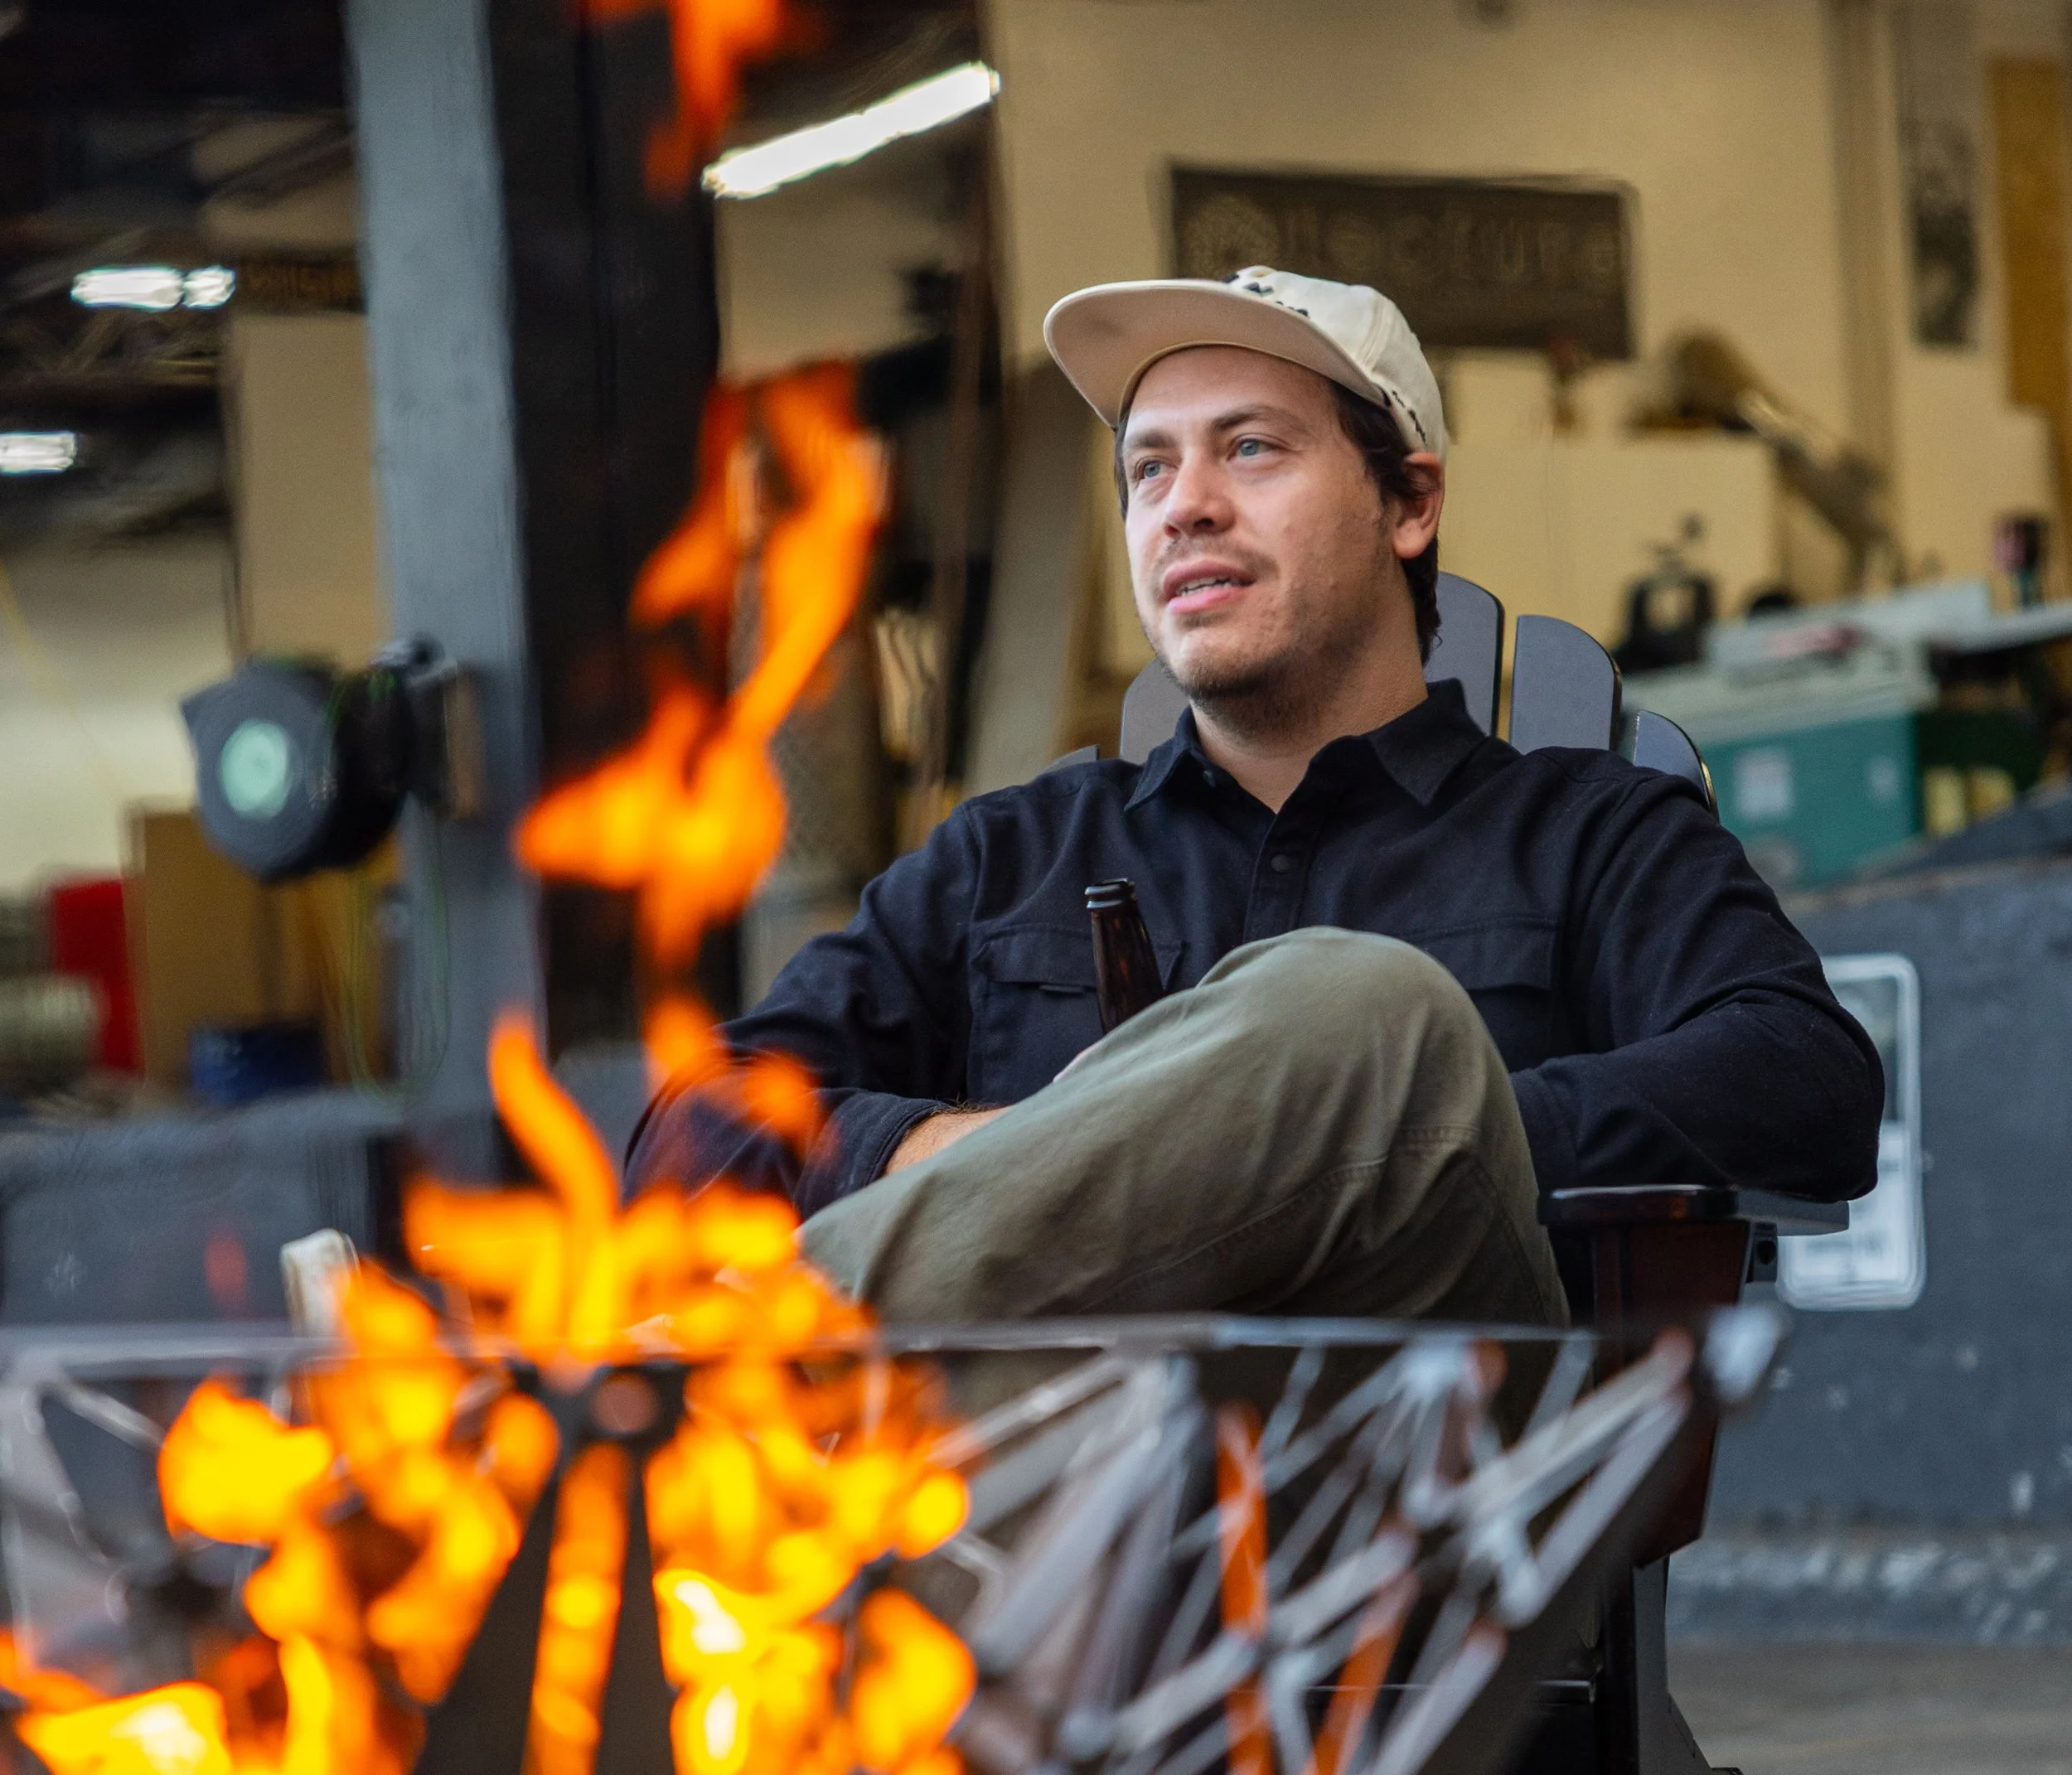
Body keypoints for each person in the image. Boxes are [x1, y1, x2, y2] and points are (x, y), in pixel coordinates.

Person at [628, 267, 1883, 1328]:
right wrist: (996, 1156)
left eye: (1251, 447)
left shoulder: (1592, 836)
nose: (1186, 505)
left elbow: (1803, 1083)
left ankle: (676, 1373)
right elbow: (689, 1135)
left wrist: (1421, 1130)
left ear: (1411, 501)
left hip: (1425, 1517)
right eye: (1149, 469)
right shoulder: (1011, 857)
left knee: (1367, 1012)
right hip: (1035, 1525)